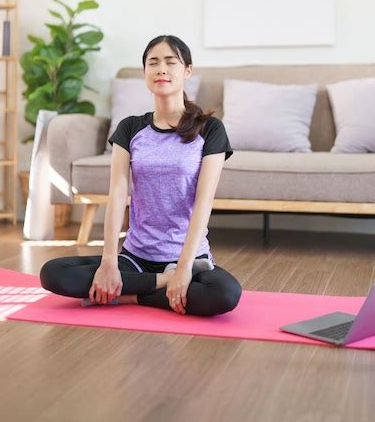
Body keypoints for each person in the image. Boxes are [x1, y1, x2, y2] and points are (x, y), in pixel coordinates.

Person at [40, 34, 242, 316]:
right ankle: (161, 285)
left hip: (189, 258)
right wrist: (110, 262)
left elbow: (203, 202)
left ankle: (130, 297)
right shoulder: (130, 128)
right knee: (54, 273)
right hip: (136, 258)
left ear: (187, 70)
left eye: (171, 62)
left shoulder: (210, 130)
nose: (161, 69)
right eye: (153, 62)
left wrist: (183, 269)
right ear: (145, 72)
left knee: (225, 294)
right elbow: (117, 194)